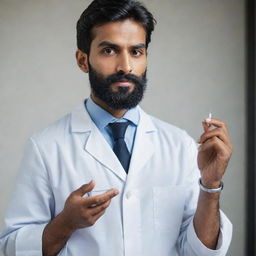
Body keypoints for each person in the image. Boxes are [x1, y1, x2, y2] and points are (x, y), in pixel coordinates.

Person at [0, 0, 233, 255]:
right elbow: (11, 247)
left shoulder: (180, 145)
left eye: (136, 51)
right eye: (109, 51)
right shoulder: (46, 148)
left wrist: (210, 185)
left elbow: (199, 251)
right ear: (82, 60)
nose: (126, 66)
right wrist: (65, 224)